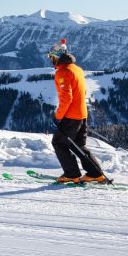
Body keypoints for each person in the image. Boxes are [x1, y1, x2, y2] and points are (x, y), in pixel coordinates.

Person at [47, 39, 106, 184]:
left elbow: (66, 98)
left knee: (59, 143)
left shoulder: (63, 72)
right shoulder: (77, 69)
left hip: (71, 116)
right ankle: (95, 173)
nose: (51, 60)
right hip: (82, 113)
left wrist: (58, 116)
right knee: (79, 146)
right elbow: (82, 91)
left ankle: (71, 174)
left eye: (51, 57)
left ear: (57, 56)